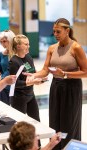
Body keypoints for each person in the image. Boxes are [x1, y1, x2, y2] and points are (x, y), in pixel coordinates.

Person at [25, 18, 87, 149]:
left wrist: (65, 74)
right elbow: (45, 70)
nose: (55, 34)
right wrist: (34, 75)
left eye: (58, 32)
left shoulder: (76, 48)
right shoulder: (52, 48)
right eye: (54, 31)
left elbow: (85, 72)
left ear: (67, 31)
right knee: (54, 121)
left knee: (69, 123)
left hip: (72, 88)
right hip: (56, 87)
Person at [9, 34, 44, 121]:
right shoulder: (14, 61)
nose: (29, 46)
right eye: (26, 44)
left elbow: (34, 73)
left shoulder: (28, 57)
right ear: (18, 46)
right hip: (19, 98)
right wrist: (32, 82)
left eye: (28, 44)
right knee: (20, 124)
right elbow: (14, 83)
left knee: (37, 121)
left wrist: (40, 79)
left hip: (30, 95)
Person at [0, 30, 15, 105]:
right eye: (1, 42)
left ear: (11, 40)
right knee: (5, 109)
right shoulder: (2, 54)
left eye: (4, 41)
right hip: (3, 85)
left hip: (15, 87)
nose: (3, 44)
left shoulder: (18, 54)